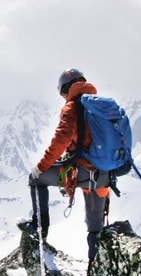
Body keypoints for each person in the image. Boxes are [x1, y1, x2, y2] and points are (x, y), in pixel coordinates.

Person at [18, 68, 111, 264]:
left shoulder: (72, 107)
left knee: (35, 179)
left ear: (65, 90)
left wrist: (41, 166)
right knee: (95, 229)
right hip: (103, 176)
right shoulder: (101, 107)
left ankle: (39, 228)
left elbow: (61, 140)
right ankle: (96, 273)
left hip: (82, 172)